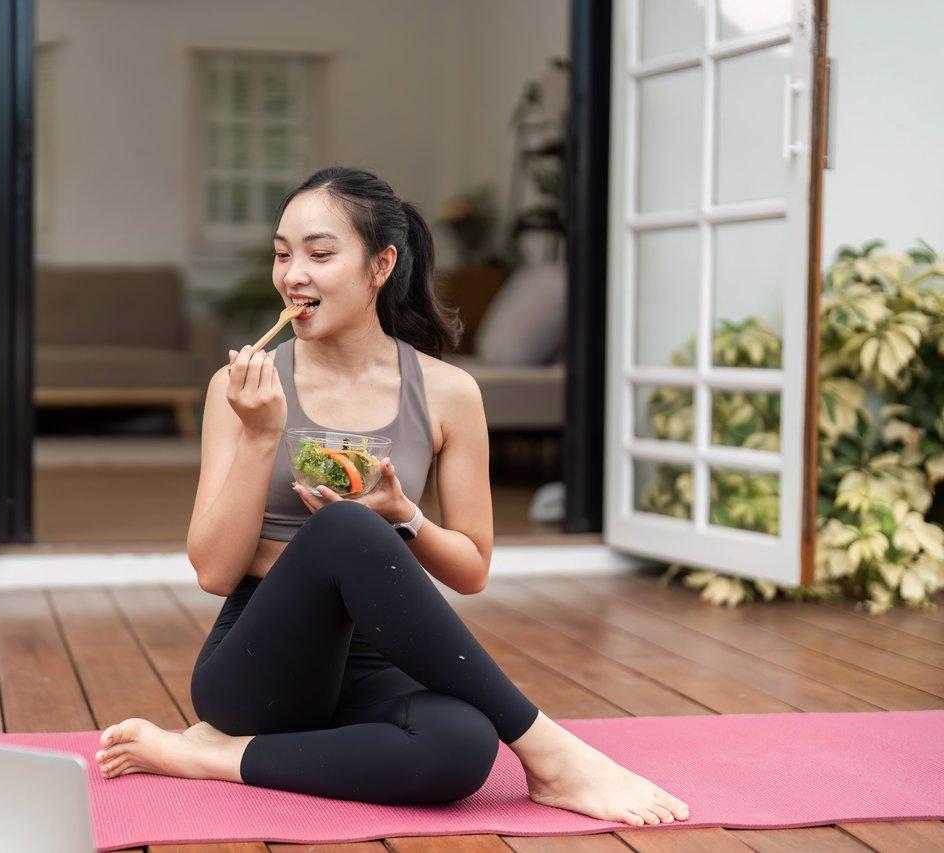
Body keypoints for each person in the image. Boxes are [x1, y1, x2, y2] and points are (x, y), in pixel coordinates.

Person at [93, 166, 690, 827]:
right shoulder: (238, 390)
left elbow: (472, 569)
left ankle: (210, 757)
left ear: (382, 265)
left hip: (376, 655)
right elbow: (212, 572)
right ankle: (550, 750)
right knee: (345, 530)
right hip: (260, 665)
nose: (294, 274)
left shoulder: (448, 392)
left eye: (320, 254)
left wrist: (404, 517)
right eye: (282, 253)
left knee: (462, 747)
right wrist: (262, 436)